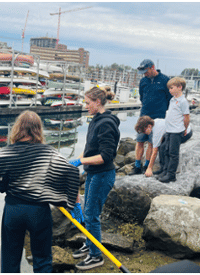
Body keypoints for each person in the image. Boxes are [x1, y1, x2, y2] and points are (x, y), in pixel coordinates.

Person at [0, 111, 79, 273]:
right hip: (38, 211)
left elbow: (1, 187)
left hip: (13, 210)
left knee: (9, 260)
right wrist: (72, 202)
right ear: (38, 129)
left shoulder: (4, 153)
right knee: (42, 259)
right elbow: (70, 172)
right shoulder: (48, 152)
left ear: (17, 128)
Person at [68, 87, 121, 270]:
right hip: (93, 173)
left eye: (88, 102)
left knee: (92, 215)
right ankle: (90, 244)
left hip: (103, 174)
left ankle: (96, 255)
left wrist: (80, 161)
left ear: (97, 102)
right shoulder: (96, 120)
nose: (85, 105)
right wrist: (81, 163)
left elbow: (106, 156)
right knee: (87, 211)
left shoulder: (106, 123)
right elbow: (90, 148)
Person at [133, 59, 172, 175]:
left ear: (152, 67)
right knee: (140, 140)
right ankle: (137, 166)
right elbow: (141, 97)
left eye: (146, 71)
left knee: (151, 142)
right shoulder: (143, 81)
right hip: (144, 115)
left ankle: (146, 166)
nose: (145, 74)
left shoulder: (165, 80)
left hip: (159, 116)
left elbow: (169, 98)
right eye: (143, 72)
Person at [150, 77, 191, 183]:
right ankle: (164, 170)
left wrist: (185, 129)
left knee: (173, 153)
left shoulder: (183, 101)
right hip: (169, 130)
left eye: (171, 88)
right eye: (169, 88)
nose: (169, 90)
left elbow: (186, 117)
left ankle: (171, 175)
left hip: (176, 131)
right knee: (164, 149)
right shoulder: (172, 100)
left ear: (180, 87)